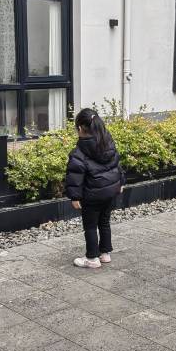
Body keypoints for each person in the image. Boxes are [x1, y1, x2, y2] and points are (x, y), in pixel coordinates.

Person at [65, 108, 125, 268]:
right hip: (110, 192)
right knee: (104, 222)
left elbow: (75, 176)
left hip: (92, 196)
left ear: (79, 128)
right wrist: (121, 182)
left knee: (90, 226)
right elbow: (117, 164)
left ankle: (92, 258)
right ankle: (105, 254)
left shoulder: (79, 152)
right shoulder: (108, 143)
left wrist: (75, 197)